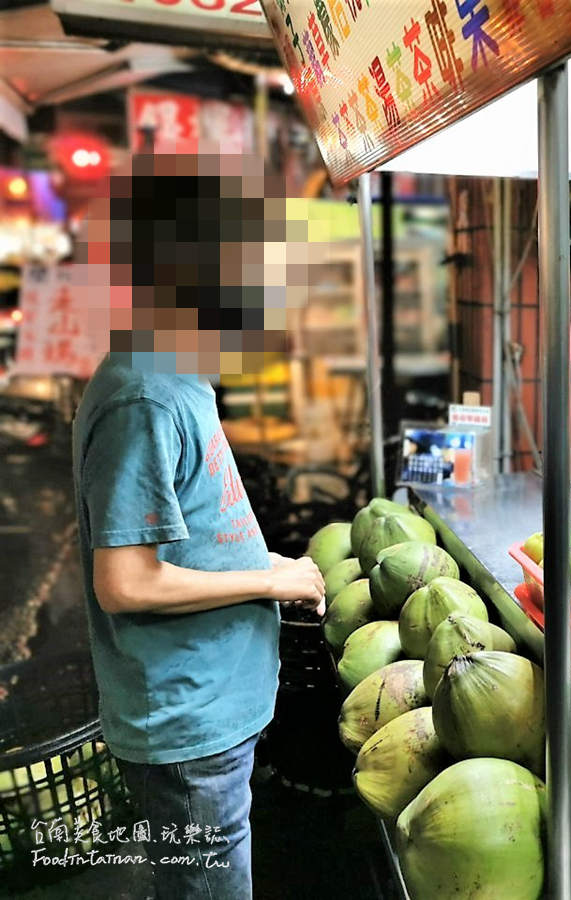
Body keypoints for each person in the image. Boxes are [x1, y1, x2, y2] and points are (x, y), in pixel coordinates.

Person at [71, 152, 325, 898]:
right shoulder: (144, 394)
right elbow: (124, 580)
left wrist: (263, 559)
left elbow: (191, 529)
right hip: (186, 722)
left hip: (213, 705)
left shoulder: (183, 374)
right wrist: (267, 580)